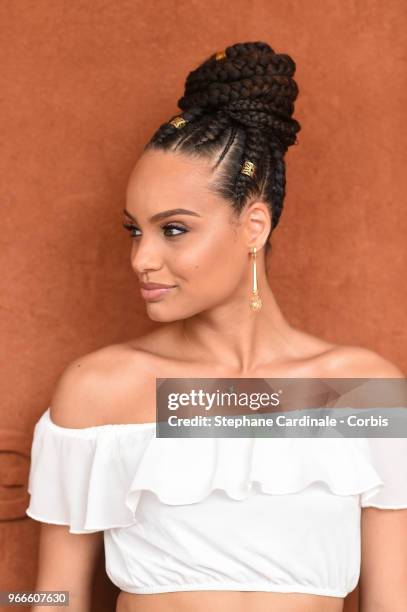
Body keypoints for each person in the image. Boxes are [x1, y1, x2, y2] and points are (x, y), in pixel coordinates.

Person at [26, 41, 407, 612]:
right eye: (135, 230)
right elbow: (52, 597)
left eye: (173, 229)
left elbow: (392, 602)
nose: (141, 259)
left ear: (253, 224)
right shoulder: (100, 389)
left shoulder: (363, 390)